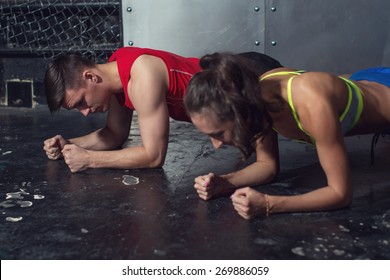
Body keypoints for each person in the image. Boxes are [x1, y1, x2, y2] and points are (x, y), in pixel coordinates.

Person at [184, 52, 390, 220]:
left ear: (240, 113)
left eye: (218, 133)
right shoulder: (256, 99)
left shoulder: (310, 100)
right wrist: (225, 182)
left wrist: (268, 204)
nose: (217, 145)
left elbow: (340, 194)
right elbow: (267, 166)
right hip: (362, 80)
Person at [43, 47, 282, 173]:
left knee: (307, 126)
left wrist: (90, 160)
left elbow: (154, 156)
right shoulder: (115, 73)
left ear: (91, 77)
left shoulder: (143, 75)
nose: (85, 112)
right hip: (237, 81)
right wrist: (70, 143)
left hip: (253, 76)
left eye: (81, 103)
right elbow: (114, 135)